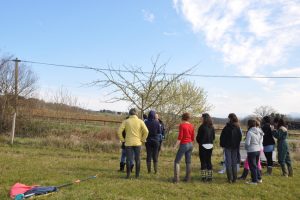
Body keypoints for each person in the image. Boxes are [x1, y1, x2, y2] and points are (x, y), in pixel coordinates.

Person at [117, 108, 149, 179]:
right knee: (137, 159)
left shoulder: (126, 121)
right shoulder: (140, 121)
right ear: (136, 113)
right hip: (138, 143)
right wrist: (143, 139)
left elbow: (119, 131)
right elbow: (146, 131)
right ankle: (137, 176)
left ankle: (128, 175)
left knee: (128, 159)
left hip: (128, 143)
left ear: (129, 114)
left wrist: (122, 140)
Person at [220, 113, 242, 183]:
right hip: (235, 147)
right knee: (234, 163)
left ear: (229, 118)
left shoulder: (226, 128)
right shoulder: (238, 127)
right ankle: (234, 179)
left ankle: (230, 178)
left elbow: (222, 137)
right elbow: (240, 138)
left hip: (228, 147)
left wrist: (223, 144)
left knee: (228, 162)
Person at [173, 112, 195, 183]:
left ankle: (176, 179)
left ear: (182, 117)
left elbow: (180, 137)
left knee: (177, 161)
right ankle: (188, 179)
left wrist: (175, 147)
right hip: (190, 144)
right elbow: (192, 137)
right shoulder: (191, 126)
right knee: (188, 162)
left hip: (184, 144)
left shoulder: (182, 125)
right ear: (188, 118)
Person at [196, 113, 215, 182]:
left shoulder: (202, 127)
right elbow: (213, 137)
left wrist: (200, 142)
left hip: (203, 146)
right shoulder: (212, 127)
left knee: (203, 161)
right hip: (210, 145)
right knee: (209, 161)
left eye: (202, 117)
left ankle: (203, 178)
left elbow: (198, 138)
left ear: (204, 118)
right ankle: (210, 178)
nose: (201, 118)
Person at [245, 119, 264, 185]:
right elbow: (260, 140)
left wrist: (246, 149)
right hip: (258, 150)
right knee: (256, 165)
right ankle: (259, 178)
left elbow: (247, 143)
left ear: (249, 125)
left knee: (252, 166)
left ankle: (254, 181)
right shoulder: (259, 131)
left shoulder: (250, 132)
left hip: (251, 151)